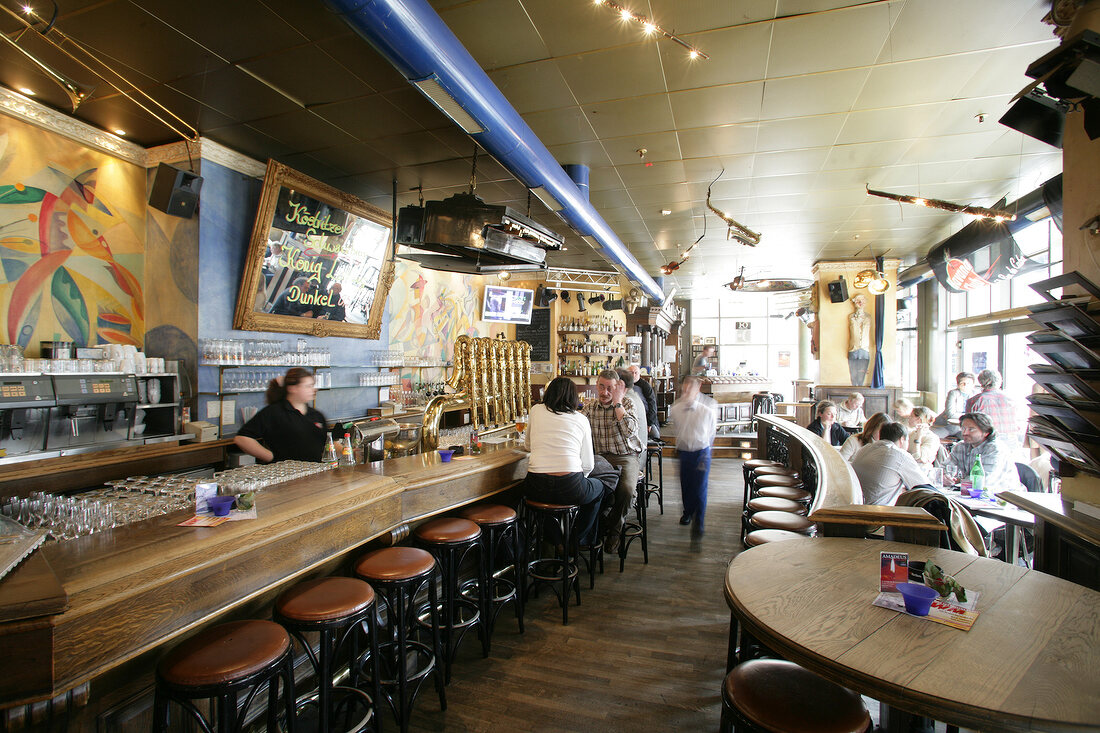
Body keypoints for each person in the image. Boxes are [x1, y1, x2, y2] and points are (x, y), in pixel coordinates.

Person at [523, 377, 609, 545]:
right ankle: (575, 539)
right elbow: (588, 465)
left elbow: (528, 445)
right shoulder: (581, 419)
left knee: (542, 503)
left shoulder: (535, 410)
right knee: (599, 488)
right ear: (574, 398)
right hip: (570, 485)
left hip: (536, 485)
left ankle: (553, 541)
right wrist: (579, 478)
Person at [582, 369, 644, 551]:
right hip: (600, 458)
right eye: (601, 387)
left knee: (626, 489)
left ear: (617, 388)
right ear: (596, 386)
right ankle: (593, 530)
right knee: (589, 489)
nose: (604, 392)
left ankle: (614, 529)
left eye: (610, 388)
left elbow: (630, 431)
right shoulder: (590, 408)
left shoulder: (627, 403)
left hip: (626, 456)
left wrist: (617, 403)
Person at [234, 367, 328, 463]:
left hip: (316, 473)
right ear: (292, 388)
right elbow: (242, 438)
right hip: (287, 474)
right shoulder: (274, 412)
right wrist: (271, 457)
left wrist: (342, 450)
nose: (314, 389)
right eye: (308, 386)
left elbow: (327, 443)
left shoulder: (316, 415)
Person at [668, 376, 717, 536]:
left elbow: (711, 433)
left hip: (701, 452)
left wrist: (706, 452)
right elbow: (677, 428)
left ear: (697, 389)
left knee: (700, 488)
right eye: (685, 389)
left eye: (690, 389)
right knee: (686, 485)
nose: (687, 392)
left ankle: (699, 523)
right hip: (683, 451)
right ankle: (688, 512)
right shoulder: (675, 408)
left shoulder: (707, 409)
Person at [851, 422, 931, 506]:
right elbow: (924, 487)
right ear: (902, 440)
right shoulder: (899, 454)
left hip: (855, 508)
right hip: (878, 513)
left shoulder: (864, 449)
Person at [948, 412, 1019, 489]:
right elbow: (944, 469)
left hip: (1001, 495)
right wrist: (945, 477)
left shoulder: (995, 449)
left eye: (971, 429)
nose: (965, 433)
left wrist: (960, 481)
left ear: (986, 432)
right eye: (963, 428)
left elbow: (981, 481)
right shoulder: (961, 446)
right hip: (970, 493)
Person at [965, 369, 1018, 450]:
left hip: (987, 442)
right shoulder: (1010, 399)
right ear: (999, 381)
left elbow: (969, 426)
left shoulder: (975, 401)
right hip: (1010, 441)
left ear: (980, 382)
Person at [932, 371, 976, 438]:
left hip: (963, 427)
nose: (965, 385)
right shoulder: (953, 393)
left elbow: (976, 414)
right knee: (933, 437)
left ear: (973, 384)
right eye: (962, 383)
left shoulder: (976, 394)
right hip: (946, 425)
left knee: (971, 438)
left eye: (968, 383)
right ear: (958, 384)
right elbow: (950, 414)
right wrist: (969, 417)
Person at [618, 369, 650, 454]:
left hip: (634, 455)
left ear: (620, 384)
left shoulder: (626, 400)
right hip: (639, 451)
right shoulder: (633, 394)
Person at [627, 363, 660, 440]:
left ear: (639, 374)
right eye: (631, 373)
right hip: (631, 418)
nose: (633, 375)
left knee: (654, 435)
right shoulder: (624, 385)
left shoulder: (645, 386)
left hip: (647, 417)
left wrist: (650, 423)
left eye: (636, 373)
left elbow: (652, 405)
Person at [847, 294, 871, 385]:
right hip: (853, 348)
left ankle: (860, 393)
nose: (860, 303)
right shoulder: (851, 317)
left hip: (865, 349)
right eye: (858, 301)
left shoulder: (868, 317)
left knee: (862, 376)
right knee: (853, 375)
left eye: (862, 301)